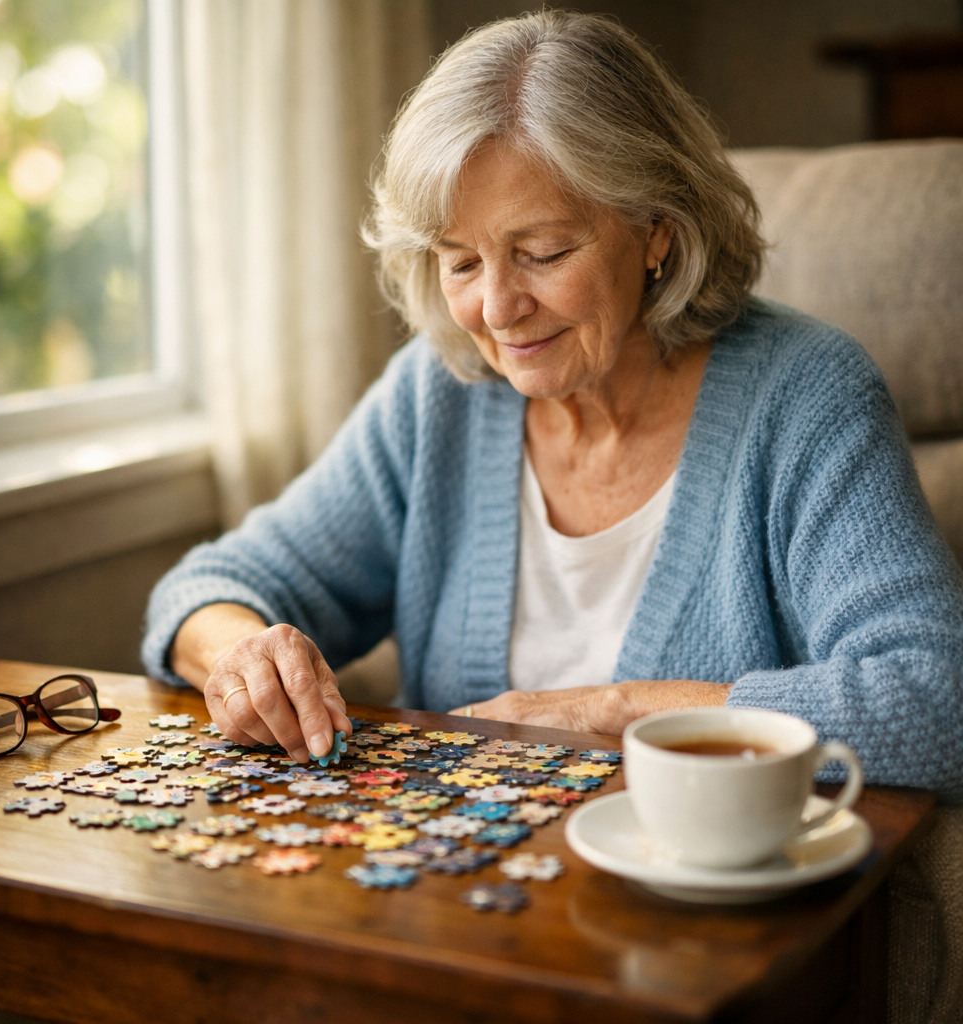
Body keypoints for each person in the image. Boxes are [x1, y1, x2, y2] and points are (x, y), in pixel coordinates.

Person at [143, 11, 963, 798]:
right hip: (458, 895)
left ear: (657, 230)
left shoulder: (806, 397)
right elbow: (210, 587)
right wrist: (244, 653)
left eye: (541, 253)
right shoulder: (442, 392)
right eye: (460, 263)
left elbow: (937, 701)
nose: (497, 310)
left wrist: (612, 709)